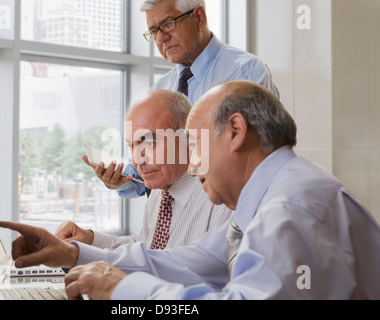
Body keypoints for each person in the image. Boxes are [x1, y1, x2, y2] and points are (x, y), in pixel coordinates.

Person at [0, 80, 380, 300]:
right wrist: (71, 252)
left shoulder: (285, 211)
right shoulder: (278, 194)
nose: (192, 162)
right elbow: (184, 261)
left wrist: (127, 290)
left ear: (235, 131)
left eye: (194, 145)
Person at [87, 0, 280, 199]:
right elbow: (144, 173)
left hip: (230, 208)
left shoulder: (245, 72)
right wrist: (120, 180)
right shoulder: (160, 89)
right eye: (154, 31)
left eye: (169, 23)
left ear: (199, 18)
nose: (161, 38)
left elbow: (260, 155)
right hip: (175, 217)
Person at [56, 89, 231, 250]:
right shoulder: (159, 192)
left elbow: (199, 272)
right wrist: (89, 239)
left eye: (148, 143)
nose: (137, 159)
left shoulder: (222, 201)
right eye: (132, 146)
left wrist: (112, 262)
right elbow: (146, 247)